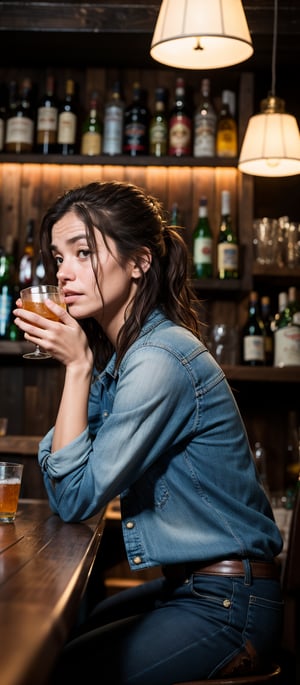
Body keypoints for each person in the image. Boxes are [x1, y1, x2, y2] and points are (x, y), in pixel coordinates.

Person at [14, 181, 283, 685]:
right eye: (58, 257)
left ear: (139, 263)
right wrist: (84, 367)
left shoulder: (159, 359)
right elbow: (63, 481)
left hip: (231, 604)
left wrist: (75, 368)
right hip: (193, 590)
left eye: (83, 252)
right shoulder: (120, 362)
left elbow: (74, 497)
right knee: (64, 641)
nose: (63, 272)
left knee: (62, 671)